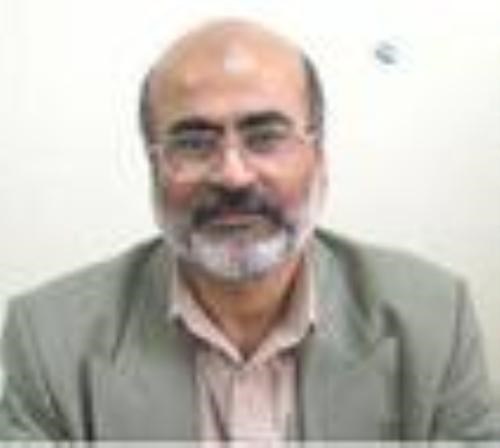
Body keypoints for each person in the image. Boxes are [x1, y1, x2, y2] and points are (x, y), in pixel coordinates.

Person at [0, 18, 498, 442]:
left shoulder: (435, 321)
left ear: (319, 157)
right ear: (153, 167)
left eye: (265, 136)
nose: (233, 175)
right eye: (194, 142)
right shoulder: (48, 340)